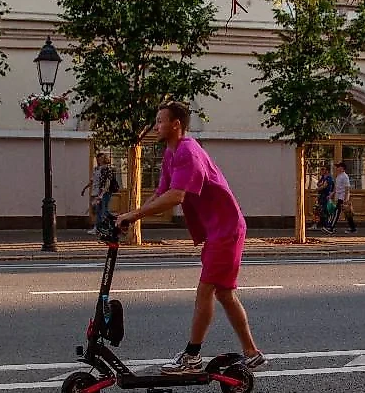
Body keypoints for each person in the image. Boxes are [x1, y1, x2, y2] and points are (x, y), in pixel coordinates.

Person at [116, 101, 265, 374]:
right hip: (217, 230)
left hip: (227, 228)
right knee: (225, 294)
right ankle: (252, 352)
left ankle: (192, 356)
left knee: (207, 290)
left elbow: (176, 196)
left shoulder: (187, 151)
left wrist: (133, 217)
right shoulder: (171, 154)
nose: (156, 125)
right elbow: (161, 193)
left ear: (176, 124)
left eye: (160, 120)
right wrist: (130, 214)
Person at [85, 152, 117, 233]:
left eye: (101, 158)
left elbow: (107, 182)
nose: (99, 160)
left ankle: (115, 222)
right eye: (98, 158)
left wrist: (102, 194)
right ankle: (99, 228)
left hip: (105, 192)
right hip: (98, 192)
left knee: (103, 210)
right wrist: (85, 188)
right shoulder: (97, 169)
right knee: (99, 210)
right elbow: (93, 181)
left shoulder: (108, 169)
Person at [324, 162, 357, 234]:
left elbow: (347, 188)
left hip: (342, 197)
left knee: (336, 212)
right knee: (347, 213)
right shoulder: (338, 176)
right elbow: (336, 188)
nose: (337, 168)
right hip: (338, 197)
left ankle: (331, 228)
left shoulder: (345, 176)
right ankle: (353, 228)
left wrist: (346, 199)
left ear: (342, 168)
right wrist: (331, 195)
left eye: (338, 167)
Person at [313, 165, 335, 230]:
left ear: (327, 171)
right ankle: (320, 224)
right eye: (321, 169)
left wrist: (317, 189)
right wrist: (320, 185)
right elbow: (318, 183)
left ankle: (327, 225)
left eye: (323, 169)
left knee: (325, 210)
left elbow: (324, 186)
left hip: (326, 196)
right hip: (321, 195)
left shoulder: (329, 178)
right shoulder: (323, 177)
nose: (321, 171)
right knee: (319, 210)